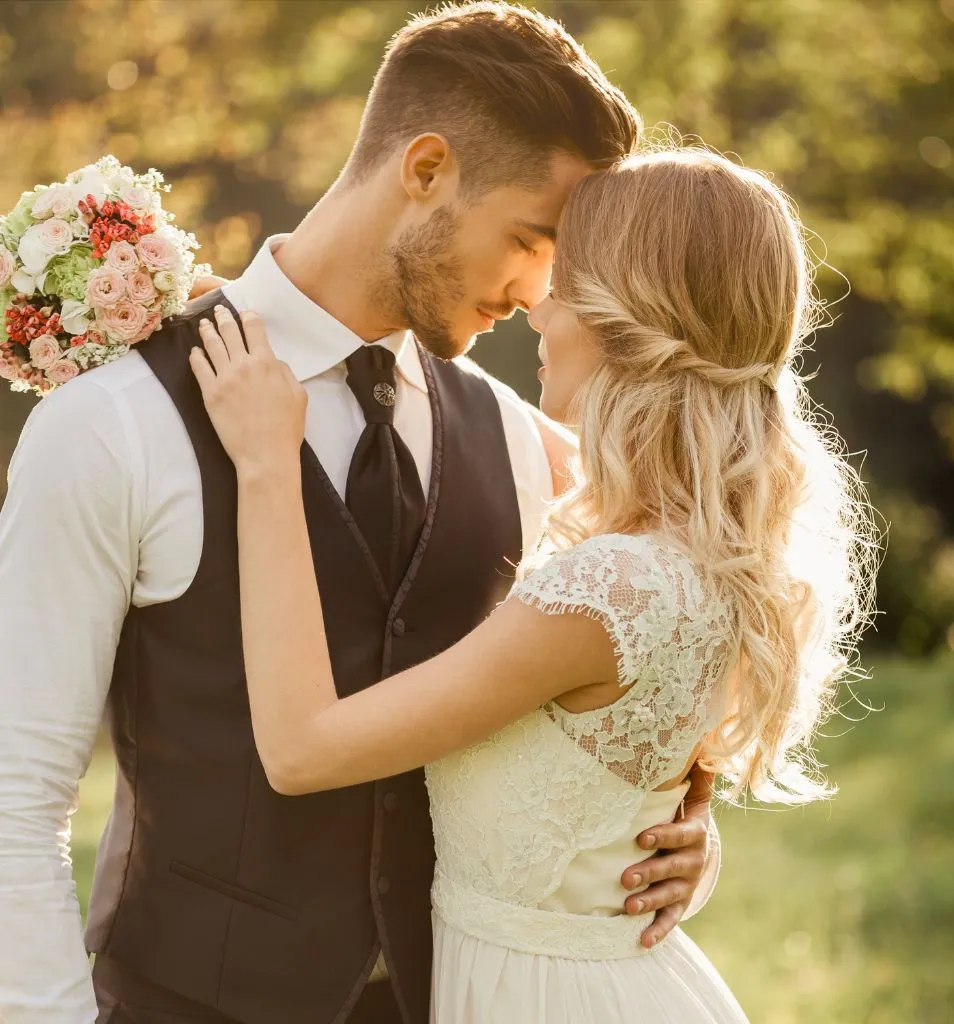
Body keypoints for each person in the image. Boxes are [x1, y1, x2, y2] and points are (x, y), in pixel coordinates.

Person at [0, 5, 720, 1024]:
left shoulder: (518, 442)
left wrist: (665, 839)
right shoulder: (113, 424)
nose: (538, 291)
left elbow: (595, 696)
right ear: (424, 170)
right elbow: (13, 799)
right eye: (529, 238)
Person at [189, 146, 877, 1023]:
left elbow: (302, 750)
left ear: (627, 320)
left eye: (565, 280)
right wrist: (260, 308)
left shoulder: (608, 587)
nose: (534, 305)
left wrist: (265, 464)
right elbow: (425, 383)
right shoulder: (697, 543)